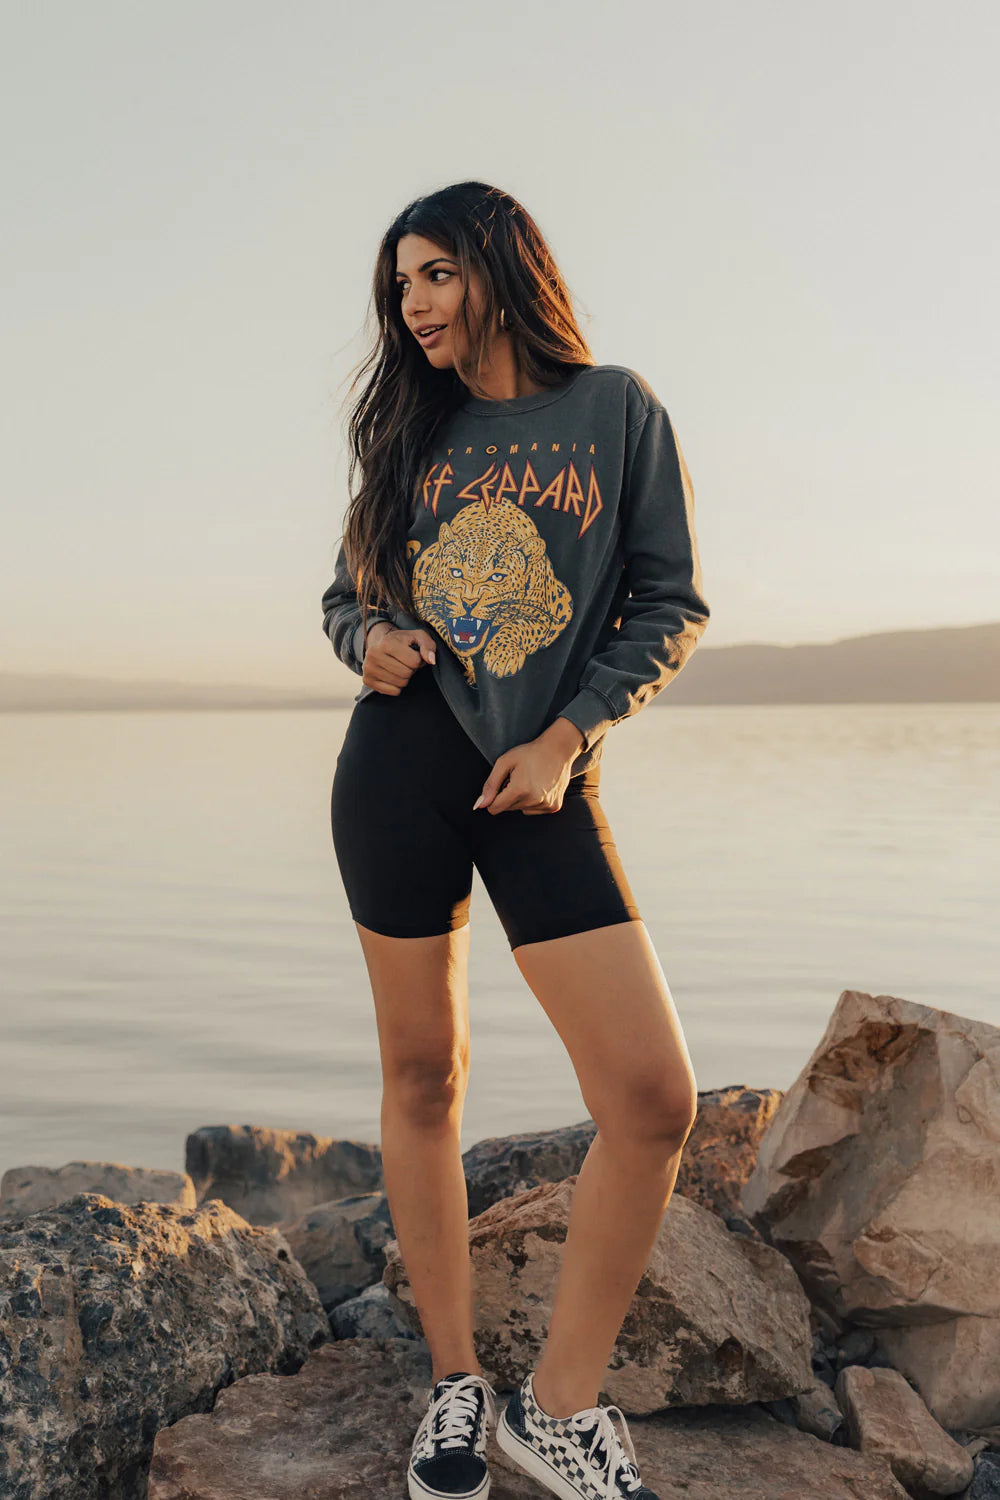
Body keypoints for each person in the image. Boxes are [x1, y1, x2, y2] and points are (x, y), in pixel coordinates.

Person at [321, 180, 710, 1500]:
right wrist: (362, 638)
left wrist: (570, 736)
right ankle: (454, 1386)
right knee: (424, 1077)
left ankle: (557, 1406)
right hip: (398, 769)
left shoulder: (615, 412)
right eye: (400, 287)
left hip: (542, 776)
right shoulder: (412, 435)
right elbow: (344, 593)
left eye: (433, 274)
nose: (414, 304)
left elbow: (670, 602)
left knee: (653, 1099)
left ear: (496, 264)